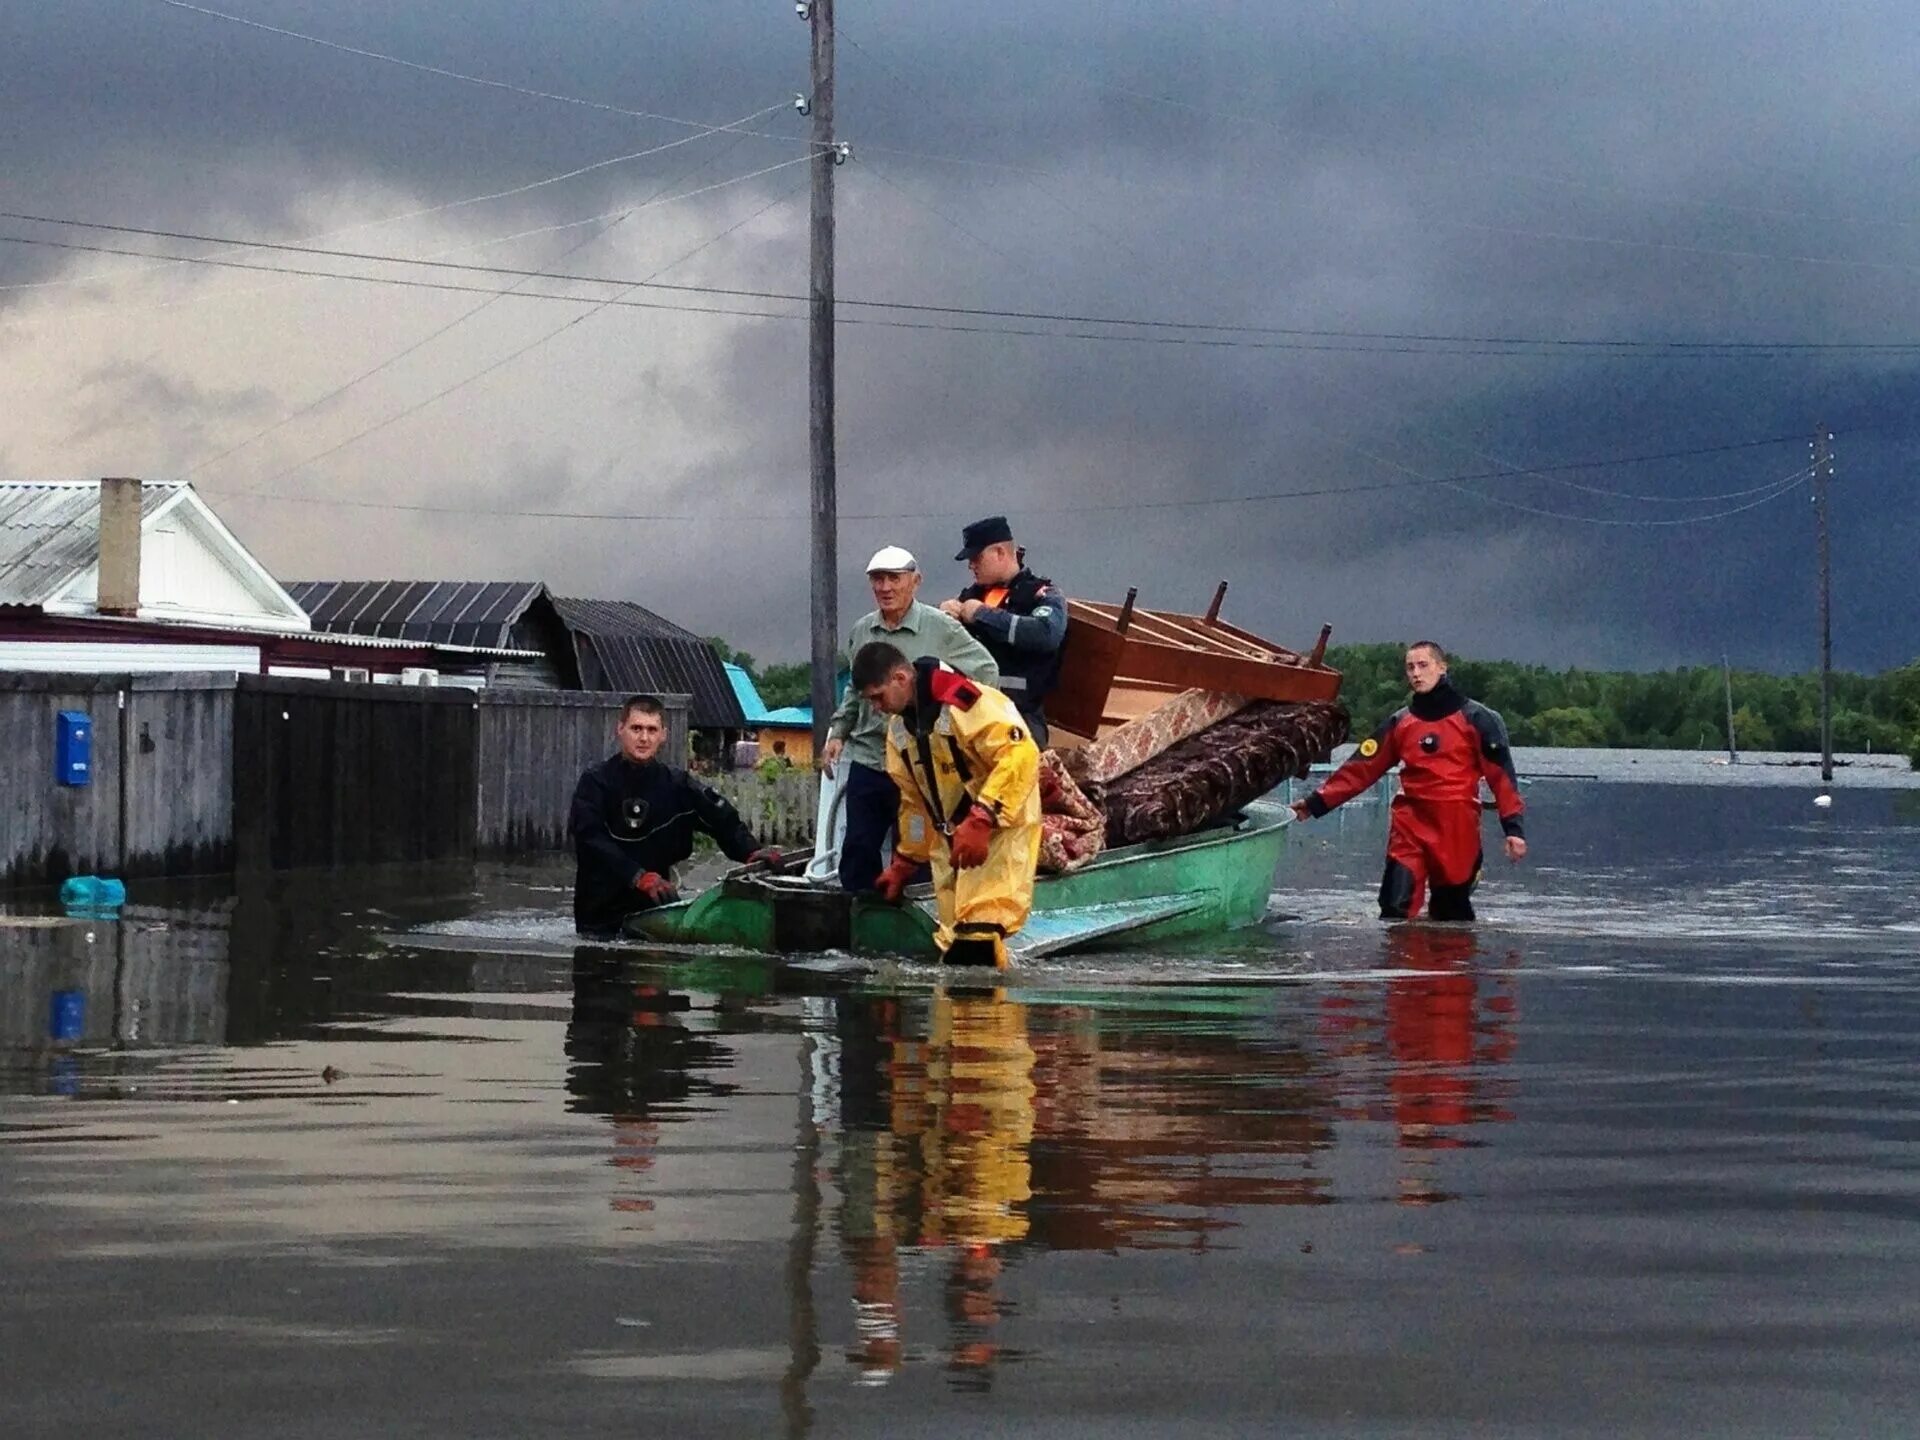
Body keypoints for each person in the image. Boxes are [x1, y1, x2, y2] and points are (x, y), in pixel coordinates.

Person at [1289, 642, 1526, 921]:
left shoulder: (1478, 718)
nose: (1416, 673)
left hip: (1456, 828)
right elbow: (1361, 768)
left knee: (1450, 916)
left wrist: (1513, 829)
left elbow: (1502, 777)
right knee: (1394, 910)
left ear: (1442, 667)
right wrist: (1315, 803)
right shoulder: (1401, 721)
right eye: (1410, 667)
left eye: (1423, 665)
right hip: (1410, 825)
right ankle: (1399, 964)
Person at [821, 546, 1000, 893]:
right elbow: (854, 691)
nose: (885, 587)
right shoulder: (862, 631)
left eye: (894, 578)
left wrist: (961, 725)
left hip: (922, 762)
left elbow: (986, 671)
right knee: (858, 848)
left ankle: (914, 924)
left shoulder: (940, 627)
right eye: (877, 579)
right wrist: (839, 732)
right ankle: (859, 924)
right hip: (871, 756)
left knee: (918, 850)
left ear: (915, 582)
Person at [853, 640, 1041, 968]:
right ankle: (964, 1017)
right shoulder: (900, 732)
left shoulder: (965, 703)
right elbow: (914, 802)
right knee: (953, 941)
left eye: (877, 697)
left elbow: (1020, 753)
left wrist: (983, 816)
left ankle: (988, 1017)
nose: (877, 709)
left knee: (979, 936)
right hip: (951, 843)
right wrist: (905, 862)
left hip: (1000, 833)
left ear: (900, 678)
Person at [569, 694, 777, 936]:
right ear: (620, 730)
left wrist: (750, 851)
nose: (644, 738)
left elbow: (721, 818)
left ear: (663, 735)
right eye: (636, 728)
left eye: (651, 729)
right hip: (598, 915)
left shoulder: (678, 785)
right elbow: (590, 838)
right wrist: (637, 876)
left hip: (653, 912)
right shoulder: (595, 782)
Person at [938, 515, 1068, 745]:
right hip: (969, 712)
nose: (971, 565)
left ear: (1000, 552)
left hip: (1019, 715)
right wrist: (942, 617)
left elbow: (1046, 634)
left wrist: (982, 615)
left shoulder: (1041, 595)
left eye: (977, 558)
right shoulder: (971, 595)